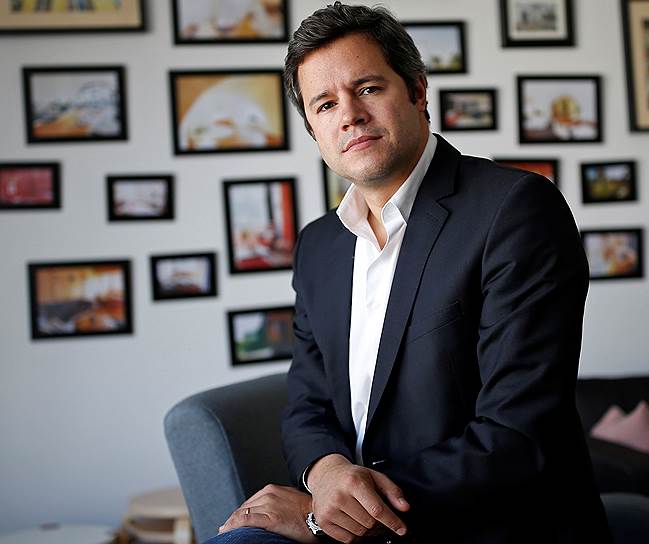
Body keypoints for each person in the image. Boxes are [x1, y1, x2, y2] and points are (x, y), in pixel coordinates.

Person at [212, 2, 609, 542]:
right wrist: (325, 476)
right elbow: (307, 404)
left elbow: (517, 433)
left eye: (368, 88)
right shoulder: (318, 246)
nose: (349, 115)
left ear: (418, 92)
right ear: (313, 130)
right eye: (325, 104)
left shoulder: (515, 210)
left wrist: (325, 516)